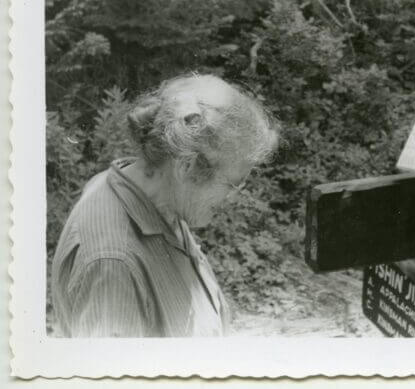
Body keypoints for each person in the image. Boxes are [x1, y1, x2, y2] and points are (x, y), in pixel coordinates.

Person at [51, 73, 279, 337]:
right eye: (233, 184)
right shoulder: (114, 265)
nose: (236, 198)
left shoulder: (160, 200)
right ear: (186, 166)